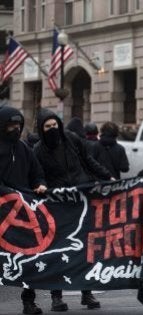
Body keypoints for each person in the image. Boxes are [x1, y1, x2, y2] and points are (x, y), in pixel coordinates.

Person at [34, 109, 113, 311]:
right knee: (59, 250)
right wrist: (41, 185)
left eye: (55, 125)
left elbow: (89, 161)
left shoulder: (72, 139)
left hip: (80, 198)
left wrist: (108, 177)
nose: (52, 129)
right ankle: (57, 297)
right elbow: (37, 174)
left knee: (86, 248)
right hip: (57, 204)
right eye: (48, 127)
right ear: (42, 129)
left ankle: (87, 293)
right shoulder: (38, 150)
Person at [0, 106, 47, 315]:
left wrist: (40, 184)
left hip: (22, 212)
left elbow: (36, 172)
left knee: (29, 258)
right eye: (11, 125)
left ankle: (29, 302)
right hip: (2, 212)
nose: (15, 129)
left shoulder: (23, 149)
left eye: (18, 125)